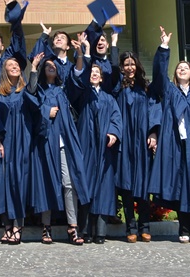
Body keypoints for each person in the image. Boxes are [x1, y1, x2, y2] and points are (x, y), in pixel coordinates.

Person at [150, 27, 190, 243]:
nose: (182, 69)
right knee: (182, 187)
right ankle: (184, 230)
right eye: (179, 67)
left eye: (185, 67)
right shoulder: (169, 91)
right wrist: (164, 47)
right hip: (176, 146)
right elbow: (158, 72)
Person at [25, 51, 89, 245]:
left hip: (65, 142)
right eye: (47, 66)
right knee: (47, 184)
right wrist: (34, 68)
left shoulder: (63, 89)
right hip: (46, 143)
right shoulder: (41, 90)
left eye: (53, 66)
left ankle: (73, 226)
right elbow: (30, 94)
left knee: (69, 184)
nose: (51, 68)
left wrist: (79, 55)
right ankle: (46, 226)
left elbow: (78, 78)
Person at [70, 39, 122, 245]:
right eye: (92, 72)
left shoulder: (109, 99)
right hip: (85, 148)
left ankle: (100, 232)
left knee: (103, 188)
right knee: (86, 186)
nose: (94, 74)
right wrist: (86, 52)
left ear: (101, 78)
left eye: (97, 73)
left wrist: (113, 133)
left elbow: (116, 119)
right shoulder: (82, 95)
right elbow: (79, 77)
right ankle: (84, 231)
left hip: (104, 149)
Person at [112, 39, 161, 243]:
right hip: (124, 144)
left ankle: (145, 226)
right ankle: (130, 227)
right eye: (126, 64)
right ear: (122, 68)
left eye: (132, 64)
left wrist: (153, 133)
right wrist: (114, 46)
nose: (130, 67)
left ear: (137, 66)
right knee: (126, 187)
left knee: (142, 187)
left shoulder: (146, 87)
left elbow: (155, 110)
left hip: (141, 143)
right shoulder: (117, 87)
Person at [0, 56, 31, 245]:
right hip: (4, 143)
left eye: (17, 65)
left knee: (18, 182)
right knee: (3, 184)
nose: (14, 67)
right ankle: (7, 225)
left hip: (22, 143)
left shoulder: (26, 91)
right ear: (4, 71)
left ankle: (18, 226)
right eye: (10, 65)